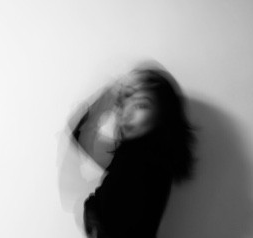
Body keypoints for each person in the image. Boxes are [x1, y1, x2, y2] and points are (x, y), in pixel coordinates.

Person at [67, 63, 196, 238]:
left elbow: (81, 134)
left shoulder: (151, 161)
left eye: (141, 105)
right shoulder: (128, 155)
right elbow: (81, 135)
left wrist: (111, 93)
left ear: (163, 114)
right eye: (123, 103)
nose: (126, 113)